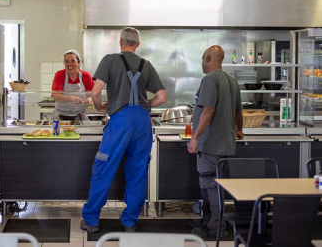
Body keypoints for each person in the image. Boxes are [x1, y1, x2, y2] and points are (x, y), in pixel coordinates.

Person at [80, 27, 168, 233]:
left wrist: (99, 106)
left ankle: (91, 220)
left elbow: (95, 91)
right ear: (137, 45)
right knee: (138, 171)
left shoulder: (110, 60)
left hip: (120, 122)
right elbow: (162, 97)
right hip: (142, 123)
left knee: (103, 167)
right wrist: (146, 106)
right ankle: (129, 222)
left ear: (120, 42)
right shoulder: (147, 65)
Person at [187, 45, 244, 238]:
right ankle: (208, 220)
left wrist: (194, 138)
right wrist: (239, 130)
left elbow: (208, 110)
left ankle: (216, 227)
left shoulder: (210, 80)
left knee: (211, 184)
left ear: (209, 58)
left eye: (203, 58)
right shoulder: (231, 80)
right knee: (212, 183)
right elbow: (238, 112)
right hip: (225, 142)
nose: (202, 63)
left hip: (211, 143)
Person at [51, 49, 94, 121]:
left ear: (78, 62)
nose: (69, 64)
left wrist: (91, 98)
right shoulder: (60, 75)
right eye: (66, 61)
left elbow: (94, 94)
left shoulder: (86, 76)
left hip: (80, 116)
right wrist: (72, 98)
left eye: (73, 60)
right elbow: (56, 96)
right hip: (61, 116)